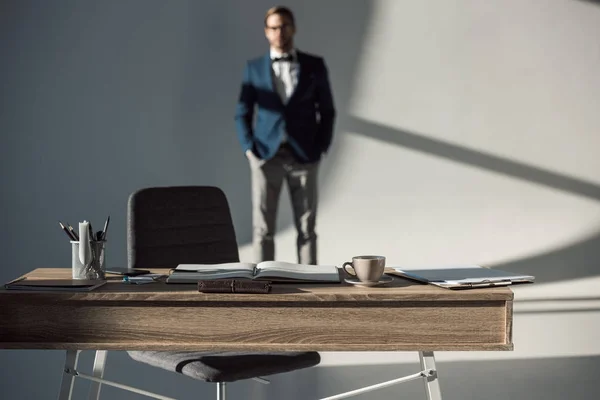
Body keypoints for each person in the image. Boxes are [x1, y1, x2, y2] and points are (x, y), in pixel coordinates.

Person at [234, 6, 336, 264]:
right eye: (274, 27)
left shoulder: (314, 66)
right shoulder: (254, 68)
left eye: (284, 26)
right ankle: (262, 288)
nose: (280, 32)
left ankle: (311, 287)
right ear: (266, 32)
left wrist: (320, 148)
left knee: (307, 229)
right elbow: (242, 113)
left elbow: (327, 111)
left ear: (294, 28)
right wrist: (250, 150)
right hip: (266, 157)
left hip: (304, 156)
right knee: (263, 230)